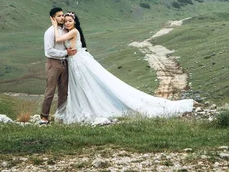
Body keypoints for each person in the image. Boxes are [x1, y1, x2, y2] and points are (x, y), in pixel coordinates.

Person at [52, 11, 193, 124]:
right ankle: (81, 106)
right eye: (66, 21)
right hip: (74, 61)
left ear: (75, 22)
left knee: (89, 84)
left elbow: (58, 39)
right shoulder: (67, 31)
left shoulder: (74, 31)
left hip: (79, 61)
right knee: (80, 86)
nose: (68, 23)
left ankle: (92, 106)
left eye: (70, 21)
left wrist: (54, 25)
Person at [39, 7, 77, 124]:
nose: (62, 17)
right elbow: (49, 51)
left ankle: (61, 116)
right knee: (50, 91)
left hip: (65, 63)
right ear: (53, 18)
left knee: (64, 91)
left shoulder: (66, 30)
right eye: (59, 16)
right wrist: (65, 53)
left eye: (62, 15)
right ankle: (44, 117)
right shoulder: (49, 32)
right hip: (53, 63)